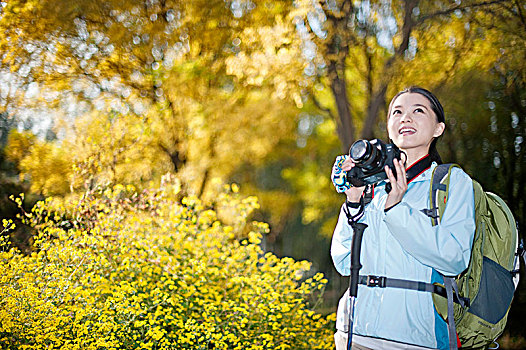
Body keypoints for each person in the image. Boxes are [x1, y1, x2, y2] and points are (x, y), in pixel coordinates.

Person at [331, 87, 476, 350]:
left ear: (438, 129)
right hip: (354, 334)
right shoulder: (372, 186)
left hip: (415, 340)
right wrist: (353, 202)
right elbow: (343, 262)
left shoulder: (451, 183)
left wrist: (397, 210)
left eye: (418, 111)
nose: (405, 118)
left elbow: (454, 259)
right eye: (397, 112)